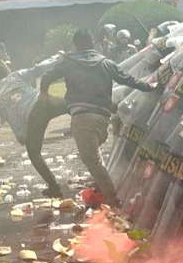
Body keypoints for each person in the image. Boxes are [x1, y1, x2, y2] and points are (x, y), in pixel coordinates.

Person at [39, 28, 156, 207]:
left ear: (75, 45)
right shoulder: (105, 62)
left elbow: (47, 77)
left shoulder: (69, 63)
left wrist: (44, 95)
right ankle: (101, 190)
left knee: (92, 161)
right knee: (95, 157)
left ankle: (113, 202)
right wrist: (150, 86)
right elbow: (128, 79)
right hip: (102, 120)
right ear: (92, 43)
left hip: (83, 119)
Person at [0, 54, 68, 196]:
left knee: (34, 154)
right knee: (73, 105)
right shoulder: (15, 76)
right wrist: (57, 58)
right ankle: (102, 108)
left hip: (33, 117)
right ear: (6, 72)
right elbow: (38, 69)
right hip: (43, 101)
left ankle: (54, 187)